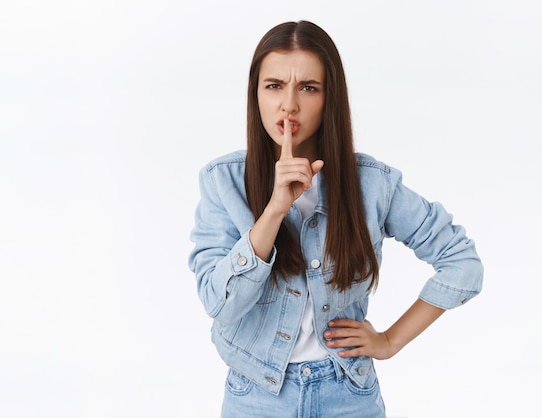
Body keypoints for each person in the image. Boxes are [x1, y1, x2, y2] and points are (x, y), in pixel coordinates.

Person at [189, 20, 483, 418]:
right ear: (255, 94)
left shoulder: (372, 184)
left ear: (330, 98)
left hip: (348, 395)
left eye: (308, 88)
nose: (288, 104)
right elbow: (217, 302)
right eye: (273, 85)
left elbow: (461, 262)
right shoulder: (223, 181)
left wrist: (390, 341)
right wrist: (275, 209)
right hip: (256, 397)